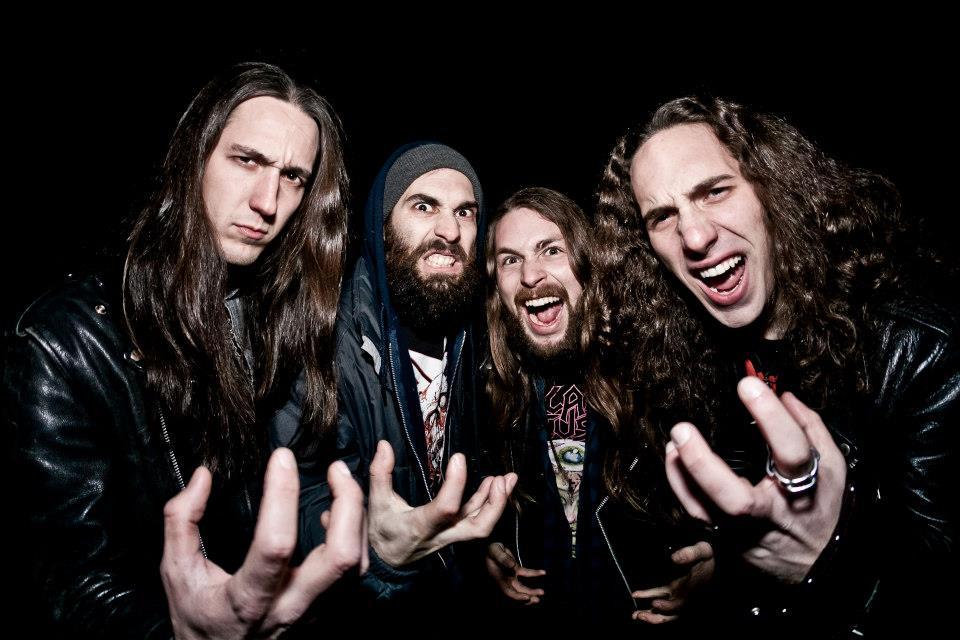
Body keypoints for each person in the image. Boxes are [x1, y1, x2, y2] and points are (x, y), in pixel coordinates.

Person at [3, 62, 365, 638]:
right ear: (195, 156)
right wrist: (179, 630)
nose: (268, 201)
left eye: (293, 177)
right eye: (247, 160)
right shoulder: (68, 341)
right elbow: (71, 583)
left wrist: (379, 548)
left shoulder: (280, 320)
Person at [593, 96, 956, 634]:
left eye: (715, 191)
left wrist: (829, 559)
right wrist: (731, 564)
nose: (695, 237)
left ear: (772, 189)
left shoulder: (918, 350)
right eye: (663, 217)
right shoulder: (692, 358)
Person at [275, 142, 515, 618]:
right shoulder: (321, 341)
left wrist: (481, 543)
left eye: (465, 212)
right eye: (424, 207)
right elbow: (297, 496)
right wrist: (373, 547)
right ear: (381, 225)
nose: (450, 230)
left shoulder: (477, 338)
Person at [483, 187, 714, 629]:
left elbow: (732, 470)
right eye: (510, 259)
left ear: (588, 262)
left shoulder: (655, 370)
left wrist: (721, 556)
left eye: (551, 250)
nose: (530, 274)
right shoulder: (494, 390)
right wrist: (484, 546)